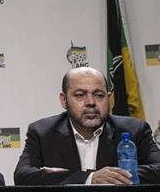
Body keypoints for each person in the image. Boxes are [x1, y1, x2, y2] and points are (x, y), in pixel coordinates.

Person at [14, 67, 160, 185]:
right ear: (64, 100)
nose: (91, 102)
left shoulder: (134, 130)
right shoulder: (42, 132)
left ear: (109, 99)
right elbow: (23, 176)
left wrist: (112, 177)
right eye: (80, 95)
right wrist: (90, 178)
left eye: (99, 95)